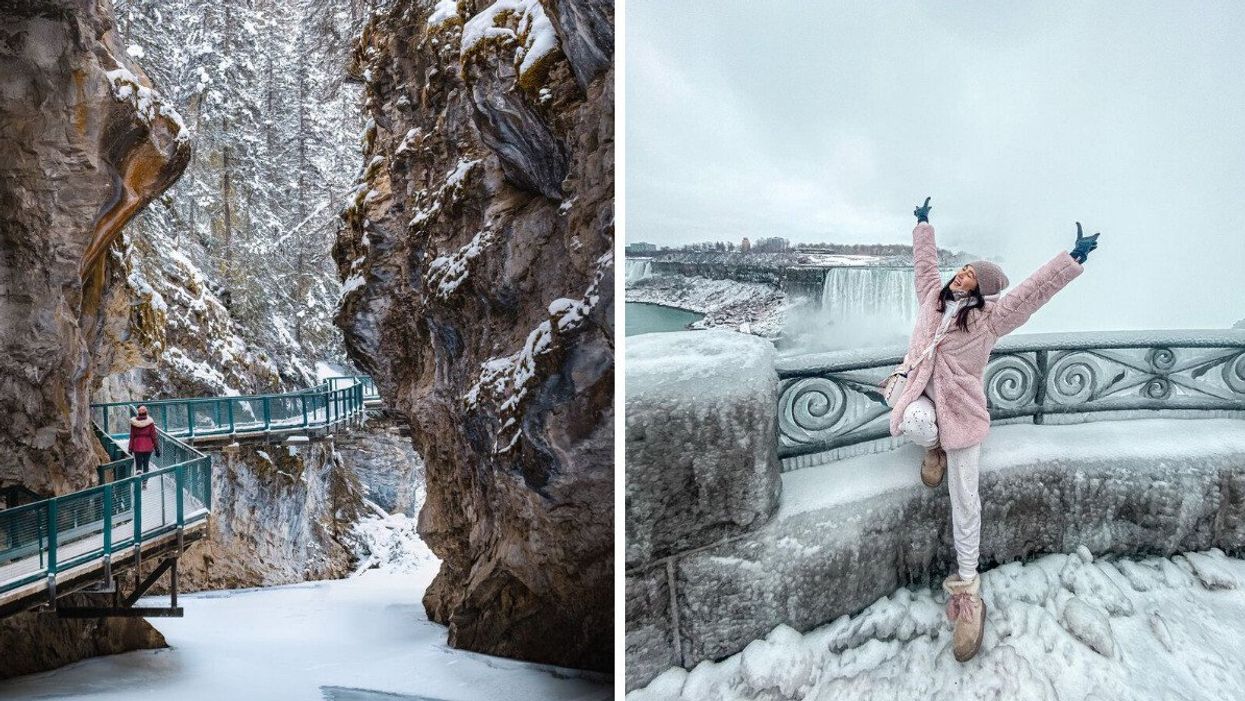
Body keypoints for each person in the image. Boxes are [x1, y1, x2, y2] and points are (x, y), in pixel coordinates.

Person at [889, 197, 1099, 663]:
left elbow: (1029, 293)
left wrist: (1071, 260)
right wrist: (923, 225)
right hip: (917, 393)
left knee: (966, 500)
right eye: (960, 269)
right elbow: (924, 262)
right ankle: (934, 446)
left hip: (962, 413)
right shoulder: (931, 298)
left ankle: (968, 591)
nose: (958, 274)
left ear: (981, 289)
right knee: (909, 420)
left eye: (968, 274)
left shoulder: (990, 321)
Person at [128, 405, 161, 482]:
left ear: (138, 413)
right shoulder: (150, 422)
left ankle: (138, 480)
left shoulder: (134, 423)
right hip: (148, 446)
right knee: (146, 464)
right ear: (146, 413)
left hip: (137, 446)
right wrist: (156, 448)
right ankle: (145, 481)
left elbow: (132, 436)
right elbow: (154, 436)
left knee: (138, 464)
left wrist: (130, 448)